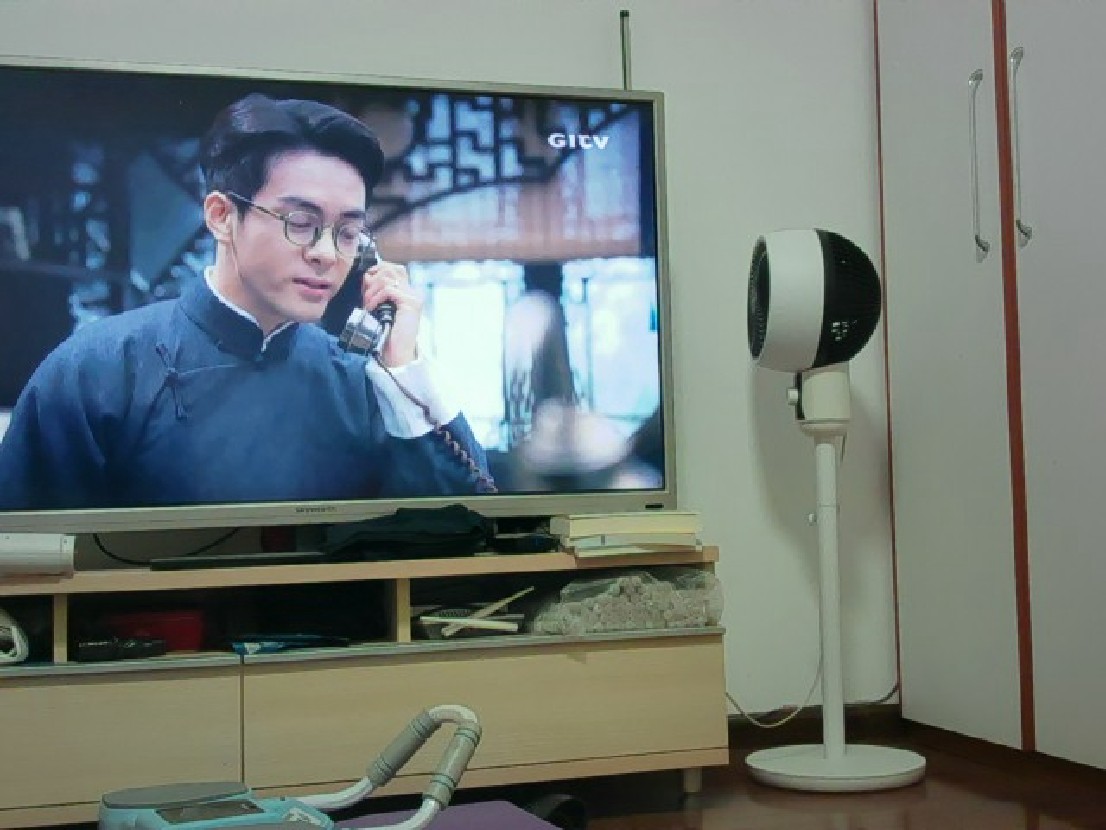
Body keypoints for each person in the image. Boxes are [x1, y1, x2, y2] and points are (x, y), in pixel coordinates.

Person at [0, 93, 492, 510]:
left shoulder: (360, 383)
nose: (326, 254)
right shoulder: (97, 369)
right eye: (300, 223)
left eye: (348, 233)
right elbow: (28, 557)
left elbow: (464, 536)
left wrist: (405, 368)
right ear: (221, 216)